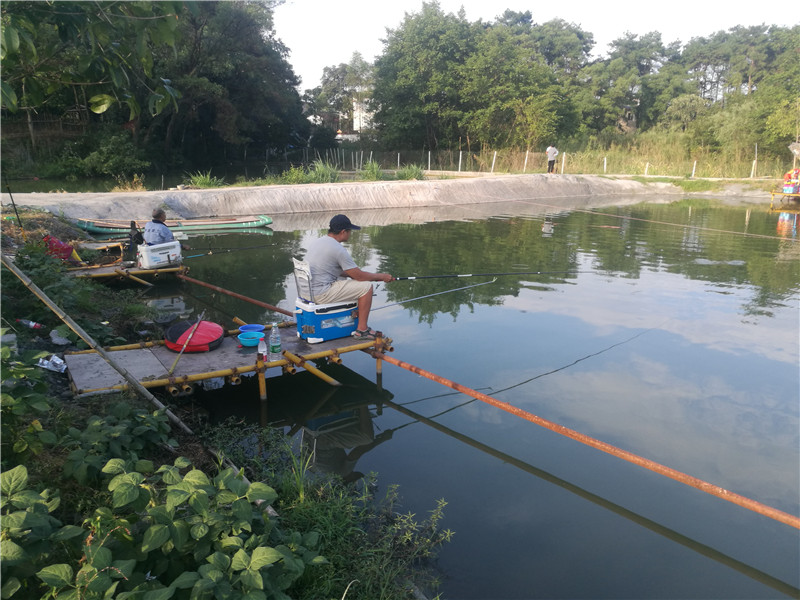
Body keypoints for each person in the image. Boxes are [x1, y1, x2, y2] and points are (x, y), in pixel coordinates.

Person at [305, 214, 393, 340]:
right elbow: (360, 276)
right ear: (343, 232)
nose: (350, 234)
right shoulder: (338, 249)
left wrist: (359, 275)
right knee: (366, 287)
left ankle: (352, 320)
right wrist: (382, 276)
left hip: (307, 292)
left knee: (348, 280)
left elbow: (337, 271)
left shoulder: (319, 242)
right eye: (349, 231)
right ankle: (362, 330)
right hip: (320, 293)